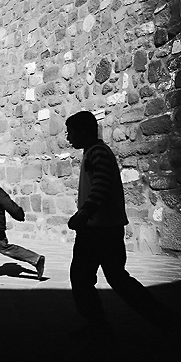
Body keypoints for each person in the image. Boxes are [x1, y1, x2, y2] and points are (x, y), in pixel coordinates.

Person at [66, 111, 167, 339]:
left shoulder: (97, 153)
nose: (68, 137)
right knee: (116, 277)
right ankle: (161, 317)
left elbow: (101, 186)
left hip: (98, 229)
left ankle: (98, 326)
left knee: (82, 277)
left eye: (71, 132)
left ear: (83, 132)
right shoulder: (94, 152)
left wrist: (85, 213)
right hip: (104, 227)